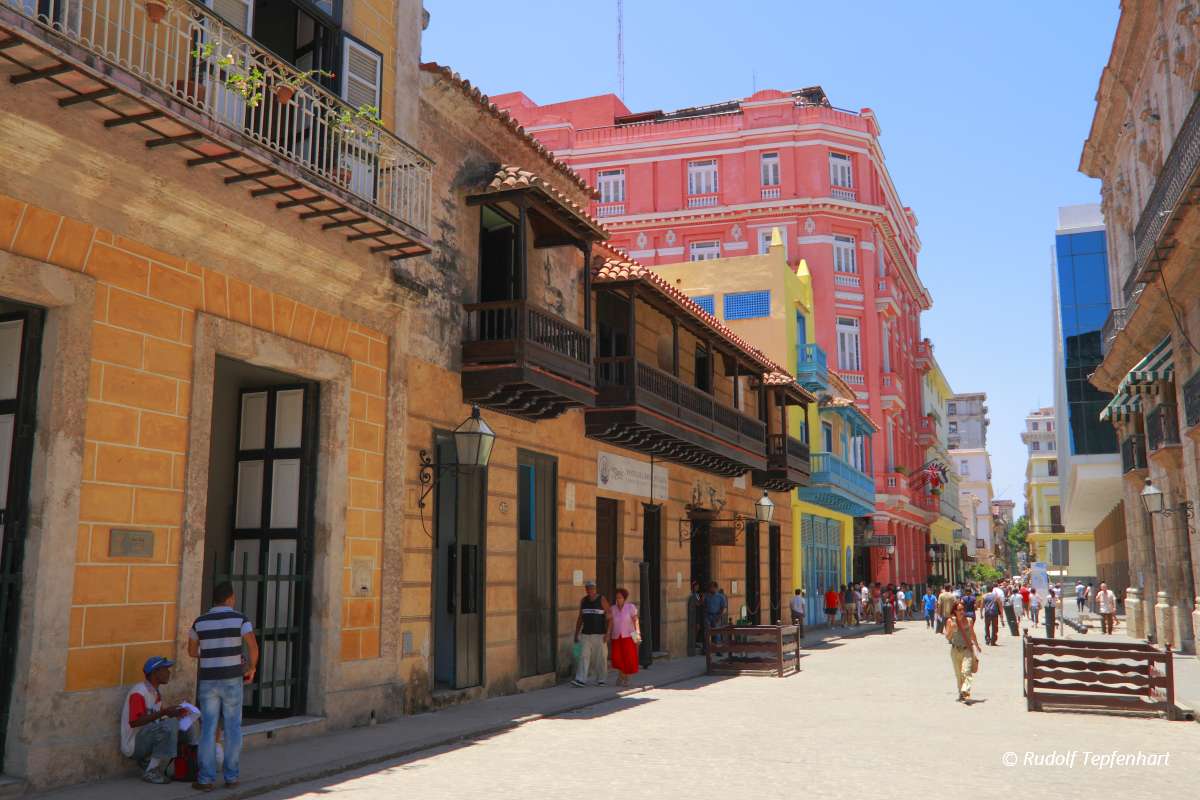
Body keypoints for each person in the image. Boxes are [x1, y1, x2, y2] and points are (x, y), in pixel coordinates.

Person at [188, 581, 258, 792]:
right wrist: (251, 668)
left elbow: (191, 652)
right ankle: (231, 777)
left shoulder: (199, 621)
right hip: (232, 679)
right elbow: (253, 646)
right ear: (230, 598)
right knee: (233, 728)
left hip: (209, 680)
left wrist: (209, 653)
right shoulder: (240, 619)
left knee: (208, 729)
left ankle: (205, 779)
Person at [120, 656, 194, 784]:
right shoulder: (139, 692)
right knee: (170, 725)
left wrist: (175, 714)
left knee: (185, 725)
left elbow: (158, 718)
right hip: (133, 743)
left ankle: (186, 767)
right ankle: (151, 771)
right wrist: (164, 712)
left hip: (146, 737)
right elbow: (135, 722)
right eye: (165, 670)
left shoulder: (155, 692)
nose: (169, 673)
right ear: (155, 673)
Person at [572, 580, 610, 687]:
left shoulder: (602, 599)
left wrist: (608, 633)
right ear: (586, 589)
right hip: (586, 634)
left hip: (600, 634)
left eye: (592, 588)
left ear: (595, 589)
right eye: (588, 588)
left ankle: (601, 679)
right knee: (583, 656)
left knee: (601, 657)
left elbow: (609, 617)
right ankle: (580, 679)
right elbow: (580, 618)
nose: (590, 590)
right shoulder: (583, 601)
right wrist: (576, 633)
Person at [944, 600, 982, 702]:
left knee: (966, 671)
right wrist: (951, 630)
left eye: (963, 609)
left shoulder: (969, 620)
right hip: (955, 650)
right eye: (959, 610)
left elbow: (972, 634)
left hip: (967, 650)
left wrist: (977, 646)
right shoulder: (950, 622)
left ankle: (965, 690)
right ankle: (961, 692)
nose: (962, 611)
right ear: (954, 611)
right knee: (958, 674)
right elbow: (947, 637)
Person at [609, 587, 641, 686]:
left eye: (620, 597)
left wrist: (638, 633)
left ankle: (625, 677)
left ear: (624, 598)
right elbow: (611, 622)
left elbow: (635, 620)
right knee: (617, 658)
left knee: (628, 657)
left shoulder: (630, 607)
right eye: (617, 598)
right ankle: (621, 675)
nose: (618, 599)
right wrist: (607, 633)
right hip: (616, 636)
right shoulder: (613, 608)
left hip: (629, 635)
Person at [703, 582, 727, 650]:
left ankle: (718, 649)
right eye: (710, 587)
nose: (710, 589)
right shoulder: (707, 596)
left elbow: (723, 608)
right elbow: (703, 605)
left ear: (715, 588)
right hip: (708, 616)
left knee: (717, 633)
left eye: (712, 587)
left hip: (716, 615)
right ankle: (706, 648)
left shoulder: (720, 596)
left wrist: (719, 617)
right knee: (707, 632)